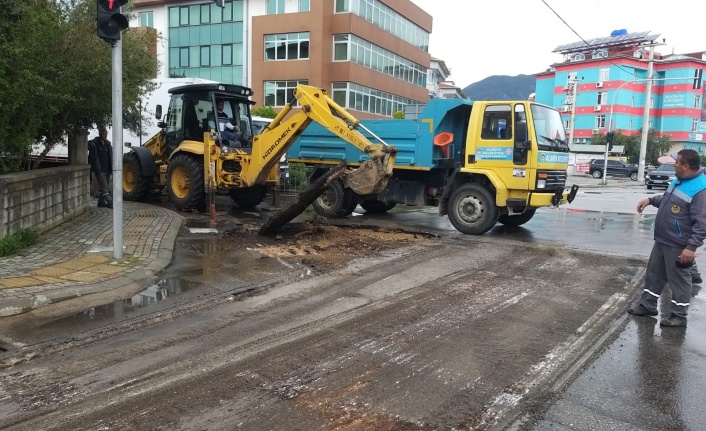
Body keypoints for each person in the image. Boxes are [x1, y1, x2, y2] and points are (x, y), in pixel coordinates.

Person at [628, 149, 706, 327]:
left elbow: (702, 224)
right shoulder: (680, 180)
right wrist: (650, 200)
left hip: (679, 244)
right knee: (654, 274)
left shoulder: (701, 188)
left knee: (679, 280)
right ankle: (647, 306)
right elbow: (668, 199)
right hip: (663, 239)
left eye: (677, 162)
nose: (674, 164)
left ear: (686, 166)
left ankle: (679, 315)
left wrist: (691, 248)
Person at [88, 128, 113, 209]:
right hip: (99, 169)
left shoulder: (108, 144)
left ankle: (101, 202)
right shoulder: (94, 143)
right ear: (100, 134)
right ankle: (110, 202)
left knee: (104, 187)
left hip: (107, 169)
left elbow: (110, 156)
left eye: (106, 134)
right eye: (104, 134)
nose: (105, 136)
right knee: (105, 187)